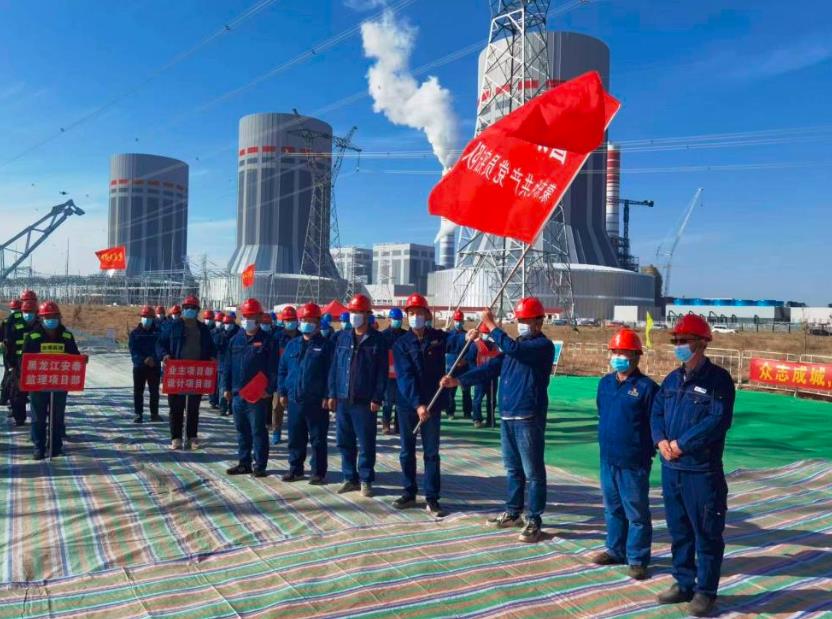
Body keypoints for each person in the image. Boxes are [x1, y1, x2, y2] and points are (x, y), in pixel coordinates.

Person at [441, 298, 554, 543]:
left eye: (527, 320)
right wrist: (459, 380)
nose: (522, 323)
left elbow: (514, 350)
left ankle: (534, 519)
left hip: (528, 416)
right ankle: (513, 512)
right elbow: (490, 368)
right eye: (520, 320)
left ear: (539, 321)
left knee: (533, 472)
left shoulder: (541, 347)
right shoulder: (514, 348)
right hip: (508, 416)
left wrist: (491, 325)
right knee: (513, 469)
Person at [651, 315, 735, 617]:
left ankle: (706, 591)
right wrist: (660, 440)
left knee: (707, 533)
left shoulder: (718, 381)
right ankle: (683, 582)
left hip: (701, 472)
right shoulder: (672, 379)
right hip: (672, 470)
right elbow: (657, 412)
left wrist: (682, 444)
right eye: (675, 341)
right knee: (679, 530)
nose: (678, 346)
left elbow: (717, 420)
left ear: (701, 343)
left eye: (683, 341)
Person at [594, 329, 659, 581]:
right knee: (612, 508)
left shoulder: (646, 388)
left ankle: (638, 558)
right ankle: (615, 550)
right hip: (608, 458)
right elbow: (602, 412)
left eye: (623, 352)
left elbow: (656, 424)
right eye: (615, 352)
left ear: (636, 356)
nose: (618, 357)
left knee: (636, 513)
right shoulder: (605, 384)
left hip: (633, 462)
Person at [391, 294, 449, 516]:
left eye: (419, 313)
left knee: (431, 453)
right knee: (407, 451)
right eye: (412, 313)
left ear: (427, 315)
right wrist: (418, 404)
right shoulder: (401, 344)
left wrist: (468, 337)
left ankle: (432, 497)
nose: (415, 316)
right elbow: (405, 377)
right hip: (408, 405)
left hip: (433, 404)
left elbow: (456, 342)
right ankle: (409, 492)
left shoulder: (437, 338)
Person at [327, 293, 388, 497]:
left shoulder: (377, 340)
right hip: (343, 398)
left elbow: (381, 372)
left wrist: (377, 397)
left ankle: (366, 479)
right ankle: (349, 477)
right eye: (352, 311)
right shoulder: (342, 337)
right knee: (344, 441)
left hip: (365, 401)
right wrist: (332, 393)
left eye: (358, 312)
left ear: (367, 314)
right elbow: (334, 367)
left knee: (366, 442)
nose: (354, 315)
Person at [21, 301, 87, 460]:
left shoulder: (66, 336)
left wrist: (82, 359)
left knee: (57, 418)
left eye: (54, 316)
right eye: (48, 317)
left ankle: (56, 447)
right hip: (38, 384)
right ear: (41, 318)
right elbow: (23, 361)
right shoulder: (32, 337)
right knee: (38, 418)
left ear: (59, 317)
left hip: (59, 384)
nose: (51, 319)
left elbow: (75, 357)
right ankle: (39, 447)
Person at [278, 303, 334, 484]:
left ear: (318, 323)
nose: (306, 323)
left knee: (317, 439)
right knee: (295, 437)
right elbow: (282, 370)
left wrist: (328, 395)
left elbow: (331, 373)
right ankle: (295, 469)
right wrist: (282, 391)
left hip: (316, 401)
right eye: (303, 320)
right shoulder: (292, 345)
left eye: (310, 320)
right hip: (294, 399)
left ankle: (318, 472)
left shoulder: (326, 346)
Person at [223, 298, 276, 478]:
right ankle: (244, 463)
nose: (248, 320)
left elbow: (273, 368)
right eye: (245, 316)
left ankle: (260, 465)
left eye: (251, 316)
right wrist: (226, 387)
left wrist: (269, 389)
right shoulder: (235, 340)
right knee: (242, 431)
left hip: (257, 395)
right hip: (238, 394)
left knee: (258, 431)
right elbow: (228, 366)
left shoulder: (267, 341)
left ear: (259, 317)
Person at [156, 294, 216, 450]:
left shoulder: (203, 329)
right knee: (176, 407)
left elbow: (211, 347)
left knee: (193, 408)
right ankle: (176, 437)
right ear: (183, 309)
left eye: (193, 308)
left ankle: (191, 437)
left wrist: (212, 357)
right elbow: (160, 344)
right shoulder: (172, 326)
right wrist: (164, 355)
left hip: (196, 373)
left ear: (197, 310)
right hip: (177, 372)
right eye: (187, 307)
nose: (190, 310)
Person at [128, 305, 163, 424]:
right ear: (141, 317)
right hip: (139, 366)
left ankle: (154, 414)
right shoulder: (135, 333)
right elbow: (133, 350)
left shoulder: (158, 333)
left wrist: (154, 359)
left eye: (149, 317)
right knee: (138, 391)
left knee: (154, 391)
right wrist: (144, 359)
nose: (146, 319)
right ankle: (138, 414)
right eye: (144, 316)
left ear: (153, 318)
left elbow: (161, 348)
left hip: (154, 366)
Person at [7, 298, 39, 426]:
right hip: (20, 364)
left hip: (38, 366)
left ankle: (42, 417)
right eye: (26, 311)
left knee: (40, 394)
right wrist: (11, 364)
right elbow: (9, 346)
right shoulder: (16, 326)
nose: (28, 314)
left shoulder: (41, 327)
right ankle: (19, 418)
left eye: (31, 311)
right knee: (17, 393)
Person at [272, 306, 300, 445]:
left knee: (296, 409)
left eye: (292, 319)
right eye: (287, 320)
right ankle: (276, 432)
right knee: (277, 407)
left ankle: (295, 433)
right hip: (281, 376)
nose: (290, 322)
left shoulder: (302, 336)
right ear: (283, 321)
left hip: (297, 377)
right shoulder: (277, 337)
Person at [468, 323, 499, 429]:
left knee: (492, 399)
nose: (487, 335)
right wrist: (475, 372)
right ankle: (477, 419)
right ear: (481, 333)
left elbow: (498, 359)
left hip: (492, 377)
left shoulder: (494, 345)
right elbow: (471, 360)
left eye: (488, 333)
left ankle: (491, 419)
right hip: (480, 376)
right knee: (478, 398)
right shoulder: (475, 345)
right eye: (485, 333)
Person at [381, 307, 406, 435]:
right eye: (395, 319)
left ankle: (399, 425)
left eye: (399, 319)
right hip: (388, 375)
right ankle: (386, 424)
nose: (397, 321)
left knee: (401, 402)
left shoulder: (406, 335)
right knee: (388, 401)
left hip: (402, 374)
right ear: (389, 320)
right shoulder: (383, 336)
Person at [444, 309, 473, 420]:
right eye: (456, 320)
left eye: (460, 320)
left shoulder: (467, 335)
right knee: (450, 391)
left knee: (466, 391)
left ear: (463, 321)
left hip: (464, 367)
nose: (458, 323)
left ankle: (467, 412)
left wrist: (465, 360)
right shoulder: (448, 334)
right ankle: (450, 411)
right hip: (451, 366)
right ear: (453, 321)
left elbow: (471, 350)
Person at [215, 313, 239, 415]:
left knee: (235, 388)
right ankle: (223, 408)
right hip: (222, 365)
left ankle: (232, 408)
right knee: (222, 388)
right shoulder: (219, 335)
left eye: (229, 323)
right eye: (226, 323)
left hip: (235, 366)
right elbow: (215, 348)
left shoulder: (238, 335)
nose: (227, 325)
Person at [1, 299, 22, 407]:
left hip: (14, 351)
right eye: (14, 309)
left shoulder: (18, 321)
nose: (15, 311)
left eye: (16, 309)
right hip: (9, 351)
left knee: (12, 375)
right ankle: (5, 397)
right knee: (10, 374)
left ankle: (12, 397)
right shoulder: (7, 321)